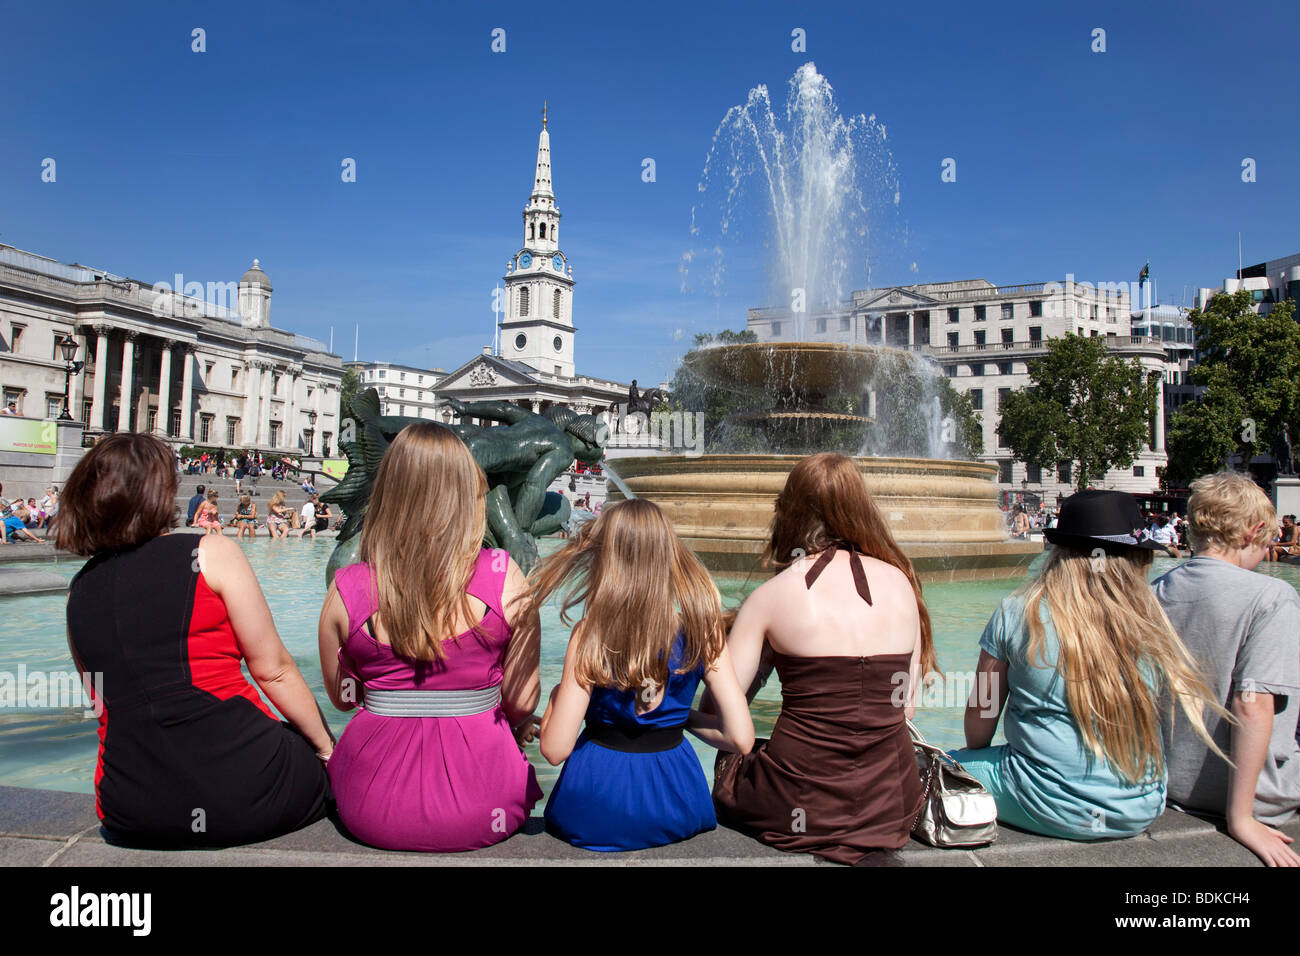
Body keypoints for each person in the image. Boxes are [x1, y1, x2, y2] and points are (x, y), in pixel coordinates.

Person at [58, 433, 332, 846]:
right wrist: (327, 749)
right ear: (159, 490)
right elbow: (272, 670)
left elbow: (102, 704)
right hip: (242, 788)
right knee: (313, 754)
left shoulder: (78, 591)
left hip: (127, 806)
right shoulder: (209, 551)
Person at [951, 489, 1228, 841]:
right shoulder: (1152, 620)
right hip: (1141, 806)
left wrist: (973, 761)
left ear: (1059, 551)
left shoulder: (1018, 611)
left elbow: (980, 716)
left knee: (920, 769)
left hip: (1044, 800)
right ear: (1136, 557)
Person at [317, 421, 542, 851]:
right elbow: (522, 701)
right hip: (485, 805)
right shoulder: (503, 576)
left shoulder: (349, 586)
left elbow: (344, 699)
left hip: (369, 808)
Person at [706, 452, 932, 864]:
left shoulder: (771, 597)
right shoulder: (902, 584)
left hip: (798, 803)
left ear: (790, 509)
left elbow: (725, 717)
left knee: (733, 761)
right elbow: (908, 706)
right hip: (892, 806)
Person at [532, 498, 753, 851]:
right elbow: (741, 739)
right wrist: (682, 717)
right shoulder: (703, 630)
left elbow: (555, 749)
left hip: (593, 808)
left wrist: (558, 697)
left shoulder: (590, 634)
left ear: (606, 558)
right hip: (679, 805)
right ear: (669, 554)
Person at [1153, 471, 1300, 866]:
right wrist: (1242, 818)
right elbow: (1252, 705)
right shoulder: (1272, 598)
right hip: (1256, 793)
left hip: (1168, 784)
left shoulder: (1155, 592)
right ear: (1253, 532)